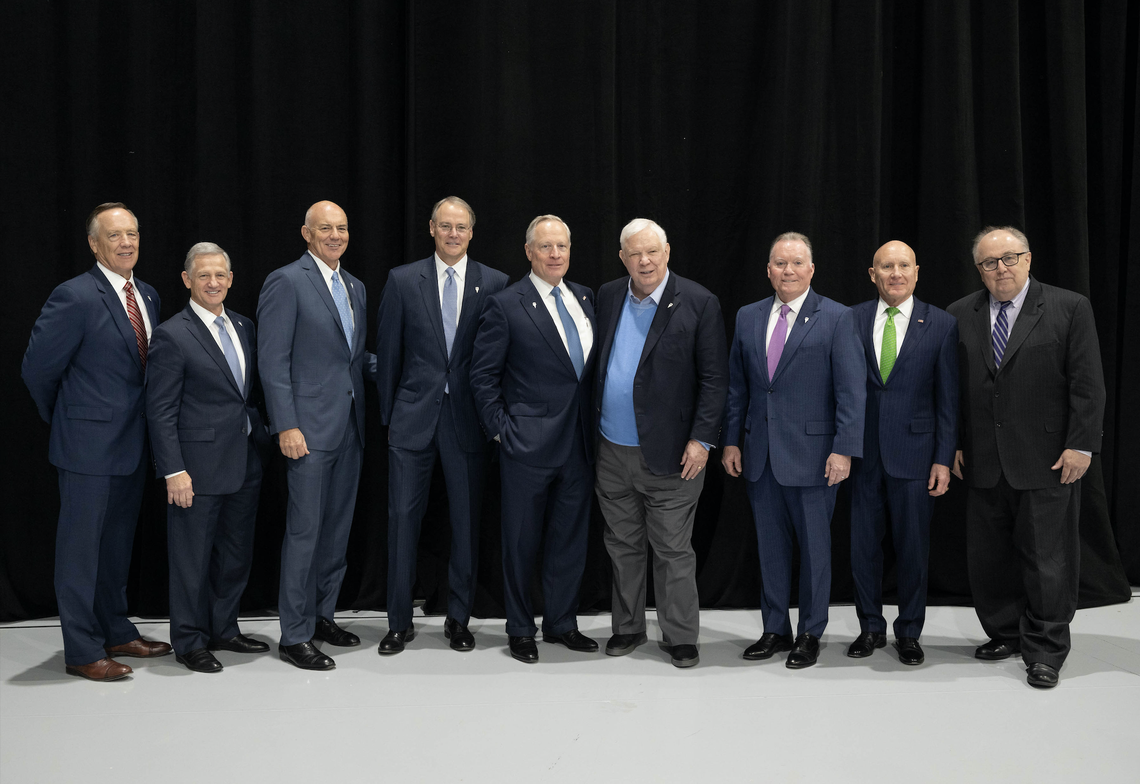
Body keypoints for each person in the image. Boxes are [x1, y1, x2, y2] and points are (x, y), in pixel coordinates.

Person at [948, 226, 1105, 689]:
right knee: (989, 558)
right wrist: (953, 444)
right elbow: (952, 392)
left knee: (1048, 560)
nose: (1001, 269)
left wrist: (1082, 444)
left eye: (1010, 258)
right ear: (978, 269)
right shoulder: (960, 313)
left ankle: (1046, 650)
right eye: (989, 263)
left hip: (1048, 458)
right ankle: (1005, 633)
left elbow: (1087, 383)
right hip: (981, 459)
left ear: (1028, 258)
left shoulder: (1068, 306)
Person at [22, 202, 171, 681]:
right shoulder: (74, 296)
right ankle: (83, 650)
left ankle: (115, 629)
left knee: (114, 548)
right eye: (114, 235)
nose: (126, 242)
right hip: (87, 447)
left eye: (132, 232)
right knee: (80, 553)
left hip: (132, 446)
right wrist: (71, 420)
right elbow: (38, 370)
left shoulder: (146, 295)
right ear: (93, 244)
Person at [722, 232, 864, 669]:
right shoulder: (748, 316)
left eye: (796, 263)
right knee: (771, 549)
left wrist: (844, 450)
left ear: (811, 270)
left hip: (816, 458)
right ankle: (775, 629)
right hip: (760, 455)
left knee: (816, 552)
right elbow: (737, 387)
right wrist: (731, 439)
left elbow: (851, 391)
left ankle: (810, 633)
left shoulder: (837, 317)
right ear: (768, 270)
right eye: (780, 263)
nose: (788, 270)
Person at [374, 197, 508, 654]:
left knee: (466, 525)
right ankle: (397, 622)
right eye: (446, 226)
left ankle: (459, 618)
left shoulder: (495, 282)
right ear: (431, 228)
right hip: (412, 421)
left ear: (472, 232)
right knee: (401, 522)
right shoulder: (402, 279)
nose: (453, 234)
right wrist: (390, 417)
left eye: (462, 227)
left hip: (467, 423)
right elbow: (388, 355)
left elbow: (497, 361)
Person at [593, 218, 728, 668]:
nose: (644, 261)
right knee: (622, 544)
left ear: (667, 251)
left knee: (672, 549)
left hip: (674, 454)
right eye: (635, 253)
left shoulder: (698, 301)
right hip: (612, 450)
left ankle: (680, 635)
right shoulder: (609, 295)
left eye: (652, 251)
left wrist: (703, 440)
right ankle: (628, 627)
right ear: (622, 258)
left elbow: (714, 380)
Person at [470, 214, 599, 664]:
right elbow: (482, 376)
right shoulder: (507, 304)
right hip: (526, 446)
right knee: (521, 542)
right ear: (529, 252)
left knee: (569, 541)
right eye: (545, 247)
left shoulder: (585, 297)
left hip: (580, 446)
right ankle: (521, 628)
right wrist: (502, 431)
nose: (555, 254)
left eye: (562, 246)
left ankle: (562, 623)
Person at [257, 200, 376, 670]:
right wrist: (286, 424)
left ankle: (322, 615)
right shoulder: (286, 281)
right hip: (305, 430)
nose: (334, 235)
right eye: (324, 228)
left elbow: (353, 359)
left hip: (349, 427)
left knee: (336, 531)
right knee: (305, 531)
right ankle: (294, 634)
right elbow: (272, 361)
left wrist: (406, 369)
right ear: (306, 233)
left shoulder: (355, 286)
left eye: (342, 227)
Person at [146, 242, 272, 673]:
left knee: (235, 555)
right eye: (204, 276)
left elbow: (246, 395)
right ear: (187, 280)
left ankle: (224, 629)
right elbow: (160, 410)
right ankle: (189, 640)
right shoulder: (171, 334)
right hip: (194, 472)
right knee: (191, 561)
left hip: (244, 462)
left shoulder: (245, 325)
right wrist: (173, 470)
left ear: (231, 279)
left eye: (220, 275)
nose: (213, 283)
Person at [847, 240, 958, 666]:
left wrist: (943, 459)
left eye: (903, 265)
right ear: (872, 273)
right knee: (863, 548)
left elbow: (949, 401)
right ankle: (870, 628)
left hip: (916, 455)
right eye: (886, 266)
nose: (895, 273)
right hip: (861, 456)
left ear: (916, 272)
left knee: (913, 547)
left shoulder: (943, 325)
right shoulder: (850, 319)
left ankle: (909, 632)